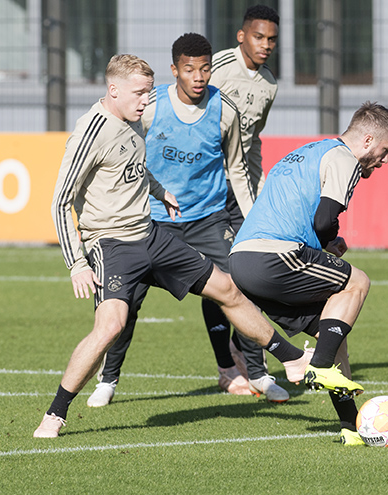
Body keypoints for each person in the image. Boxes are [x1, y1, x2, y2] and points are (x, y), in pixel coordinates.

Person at [36, 53, 313, 439]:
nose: (145, 100)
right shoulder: (90, 132)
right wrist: (77, 264)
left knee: (228, 288)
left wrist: (158, 188)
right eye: (138, 93)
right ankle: (55, 413)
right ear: (112, 90)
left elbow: (130, 165)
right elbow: (61, 200)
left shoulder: (132, 120)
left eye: (149, 92)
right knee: (111, 325)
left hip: (150, 234)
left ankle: (292, 359)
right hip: (111, 245)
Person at [85, 31, 289, 407]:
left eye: (205, 69)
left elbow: (238, 171)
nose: (199, 77)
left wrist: (253, 220)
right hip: (153, 222)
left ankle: (258, 374)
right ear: (175, 70)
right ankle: (108, 379)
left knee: (239, 288)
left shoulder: (225, 109)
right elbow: (128, 158)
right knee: (126, 300)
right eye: (190, 69)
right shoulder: (152, 107)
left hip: (208, 219)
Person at [229, 102, 388, 446]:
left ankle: (350, 428)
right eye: (385, 150)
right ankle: (320, 364)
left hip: (241, 259)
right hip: (275, 255)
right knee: (358, 282)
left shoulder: (308, 151)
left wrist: (328, 241)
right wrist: (330, 239)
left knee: (334, 332)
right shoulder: (344, 158)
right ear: (368, 140)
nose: (385, 160)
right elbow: (323, 220)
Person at [204, 4, 282, 397]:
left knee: (241, 273)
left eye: (271, 39)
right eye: (258, 37)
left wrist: (257, 189)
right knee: (214, 277)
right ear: (241, 36)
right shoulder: (215, 67)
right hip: (199, 190)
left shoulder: (268, 84)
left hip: (240, 191)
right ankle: (109, 376)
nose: (266, 45)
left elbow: (249, 144)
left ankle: (245, 362)